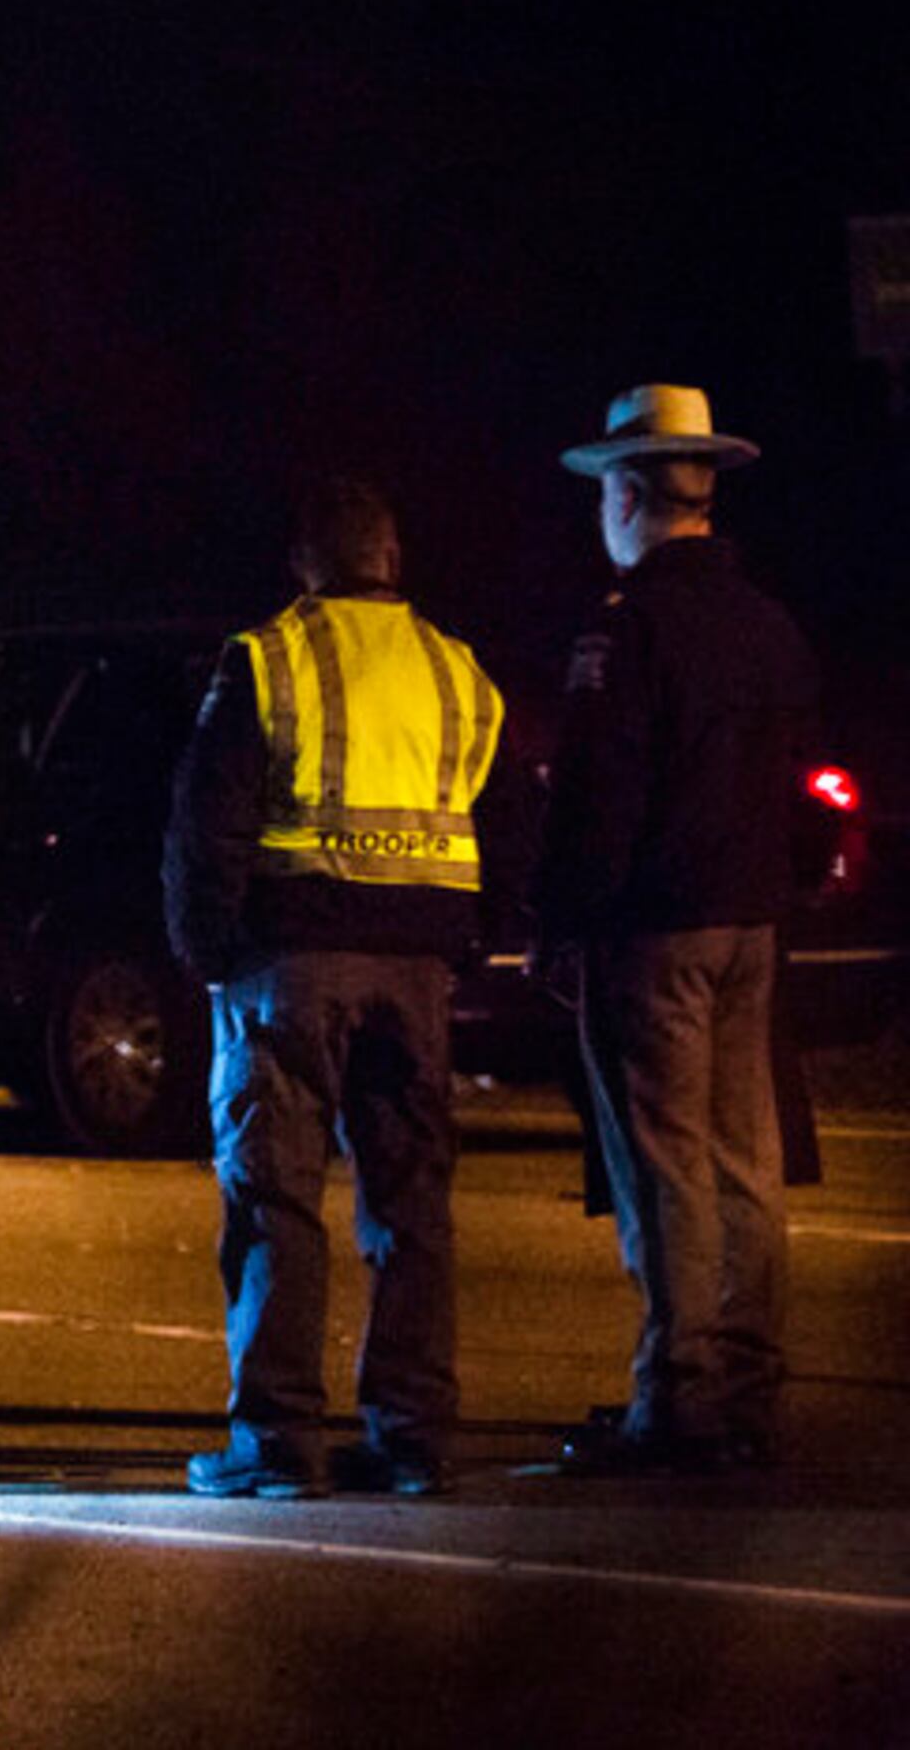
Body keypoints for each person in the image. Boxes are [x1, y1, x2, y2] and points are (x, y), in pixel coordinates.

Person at [164, 475, 517, 1499]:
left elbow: (208, 819)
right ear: (393, 562)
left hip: (292, 963)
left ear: (305, 565)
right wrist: (473, 939)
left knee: (277, 1197)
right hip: (415, 972)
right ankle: (415, 1439)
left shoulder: (270, 659)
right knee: (411, 1205)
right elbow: (504, 816)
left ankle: (277, 1445)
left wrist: (209, 950)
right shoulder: (457, 670)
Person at [536, 385, 822, 1476]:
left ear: (627, 491)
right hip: (753, 922)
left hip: (653, 926)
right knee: (747, 1156)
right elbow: (802, 783)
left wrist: (565, 923)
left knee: (665, 1164)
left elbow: (599, 795)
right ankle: (747, 1386)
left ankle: (676, 1396)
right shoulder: (767, 623)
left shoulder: (630, 627)